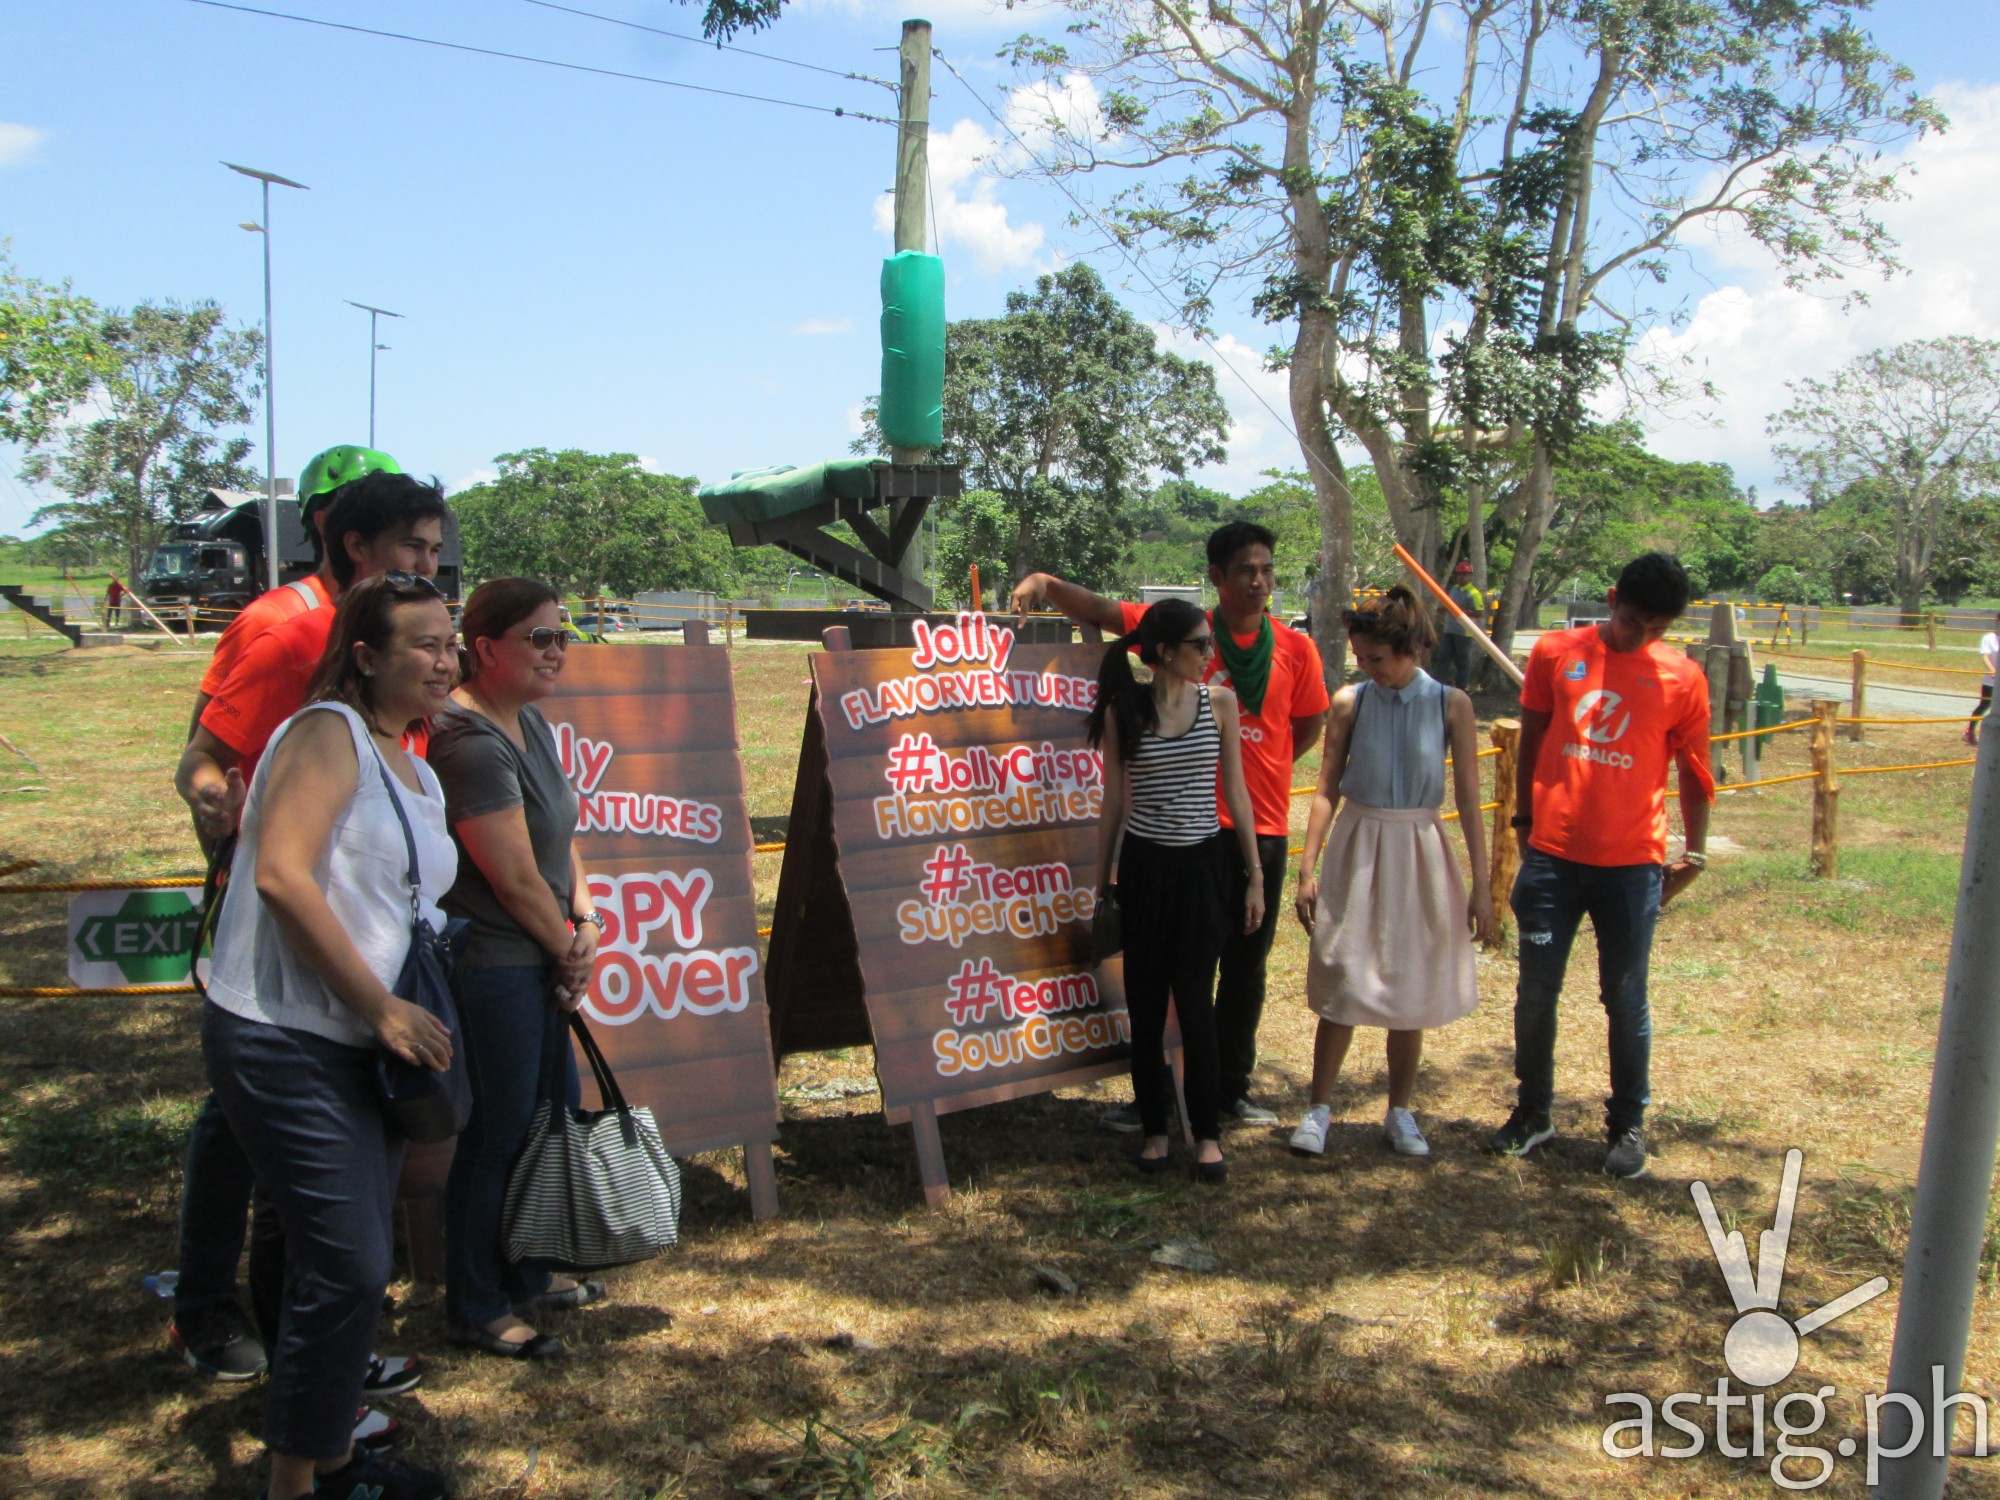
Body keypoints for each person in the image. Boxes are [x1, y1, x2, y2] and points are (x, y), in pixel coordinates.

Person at [170, 470, 445, 1400]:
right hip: (283, 953)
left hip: (365, 942)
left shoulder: (405, 639)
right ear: (353, 545)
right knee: (240, 1126)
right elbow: (205, 756)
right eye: (411, 548)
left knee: (321, 1170)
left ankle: (317, 1341)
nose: (426, 566)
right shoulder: (287, 630)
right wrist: (220, 805)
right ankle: (208, 1306)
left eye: (434, 551)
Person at [201, 572, 459, 1500]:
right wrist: (380, 1007)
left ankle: (332, 1463)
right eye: (424, 645)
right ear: (365, 655)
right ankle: (298, 1481)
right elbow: (281, 874)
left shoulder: (414, 762)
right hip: (289, 1035)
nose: (446, 661)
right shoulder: (327, 733)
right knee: (351, 1265)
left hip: (366, 1047)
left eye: (451, 643)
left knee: (344, 1262)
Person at [1012, 521, 1329, 1126]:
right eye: (1246, 570)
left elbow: (1307, 725)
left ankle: (1228, 1090)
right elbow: (1105, 612)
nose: (1260, 582)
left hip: (1258, 830)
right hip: (1181, 840)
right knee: (1172, 972)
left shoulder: (1297, 650)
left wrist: (1265, 766)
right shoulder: (1183, 629)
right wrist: (1045, 583)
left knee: (1245, 969)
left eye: (1267, 570)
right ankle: (1156, 1098)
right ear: (1217, 576)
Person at [1486, 551, 1716, 1180]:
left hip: (1632, 864)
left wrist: (1695, 853)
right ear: (1612, 600)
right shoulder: (1556, 653)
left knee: (1624, 993)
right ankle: (1533, 1112)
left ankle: (1627, 1124)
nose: (1642, 636)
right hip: (1553, 859)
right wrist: (1526, 824)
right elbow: (1533, 738)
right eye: (1635, 620)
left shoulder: (1683, 678)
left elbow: (1696, 773)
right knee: (1536, 991)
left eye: (1658, 628)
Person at [427, 579, 602, 1361]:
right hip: (496, 966)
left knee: (545, 1121)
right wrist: (568, 948)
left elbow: (561, 837)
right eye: (540, 638)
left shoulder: (528, 719)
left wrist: (586, 921)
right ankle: (476, 1304)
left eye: (563, 635)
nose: (557, 650)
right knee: (496, 1135)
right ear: (486, 647)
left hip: (543, 955)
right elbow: (513, 876)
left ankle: (527, 1272)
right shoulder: (466, 740)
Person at [1288, 589, 1494, 1159]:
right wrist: (1306, 867)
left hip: (1420, 846)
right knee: (1343, 974)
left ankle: (1400, 1111)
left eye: (1375, 657)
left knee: (1411, 979)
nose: (1366, 667)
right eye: (1359, 657)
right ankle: (1318, 1108)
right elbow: (1326, 787)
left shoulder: (1451, 704)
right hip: (1359, 843)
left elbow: (1470, 801)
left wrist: (1481, 886)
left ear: (1411, 649)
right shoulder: (1351, 702)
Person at [1087, 599, 1264, 1182]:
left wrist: (1255, 875)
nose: (1209, 654)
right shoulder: (1126, 710)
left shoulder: (1219, 703)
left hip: (1202, 868)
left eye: (1210, 643)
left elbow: (1236, 792)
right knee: (1144, 1004)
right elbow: (1114, 803)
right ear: (1165, 652)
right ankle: (1156, 1132)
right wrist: (1101, 886)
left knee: (1195, 1003)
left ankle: (1207, 1136)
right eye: (1200, 645)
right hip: (1146, 870)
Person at [187, 446, 403, 741]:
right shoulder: (271, 620)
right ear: (325, 522)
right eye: (380, 513)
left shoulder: (400, 619)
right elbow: (202, 752)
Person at [1432, 560, 1484, 691]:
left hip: (1464, 632)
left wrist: (1459, 611)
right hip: (1449, 630)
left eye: (1465, 574)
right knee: (1442, 657)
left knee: (1462, 662)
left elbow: (1479, 613)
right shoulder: (1454, 589)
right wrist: (1443, 609)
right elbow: (1449, 605)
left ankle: (1462, 688)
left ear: (1470, 576)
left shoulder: (1474, 593)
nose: (1461, 577)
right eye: (1459, 574)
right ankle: (1438, 686)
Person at [1966, 612, 1998, 747]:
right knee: (1985, 705)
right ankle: (1970, 731)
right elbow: (1985, 656)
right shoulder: (1989, 638)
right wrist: (1992, 670)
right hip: (1991, 680)